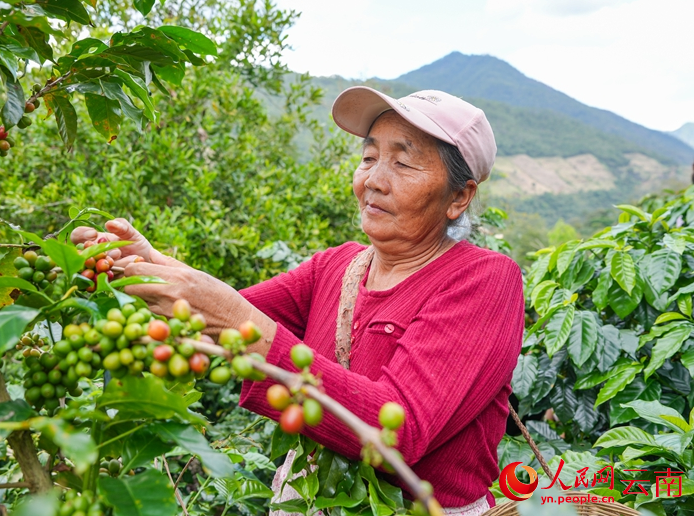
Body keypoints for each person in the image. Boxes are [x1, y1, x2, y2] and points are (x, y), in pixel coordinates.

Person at [71, 87, 525, 515]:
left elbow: (398, 432)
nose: (374, 180)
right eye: (369, 157)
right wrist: (148, 264)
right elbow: (212, 317)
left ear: (459, 197)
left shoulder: (486, 281)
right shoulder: (336, 267)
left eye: (404, 165)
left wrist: (236, 322)